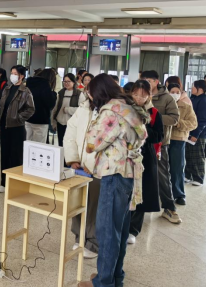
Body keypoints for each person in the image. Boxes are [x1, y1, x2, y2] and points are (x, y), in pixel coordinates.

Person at [77, 74, 147, 287]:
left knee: (107, 231)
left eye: (90, 93)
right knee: (119, 231)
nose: (89, 97)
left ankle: (103, 282)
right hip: (128, 174)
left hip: (114, 174)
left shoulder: (111, 111)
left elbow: (92, 143)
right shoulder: (129, 107)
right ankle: (115, 278)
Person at [140, 70, 181, 225]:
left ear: (156, 82)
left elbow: (174, 119)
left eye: (149, 80)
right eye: (144, 80)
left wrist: (153, 117)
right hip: (138, 143)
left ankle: (169, 207)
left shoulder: (167, 98)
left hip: (159, 143)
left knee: (162, 175)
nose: (146, 83)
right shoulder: (139, 94)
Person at [64, 88, 99, 259]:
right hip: (80, 166)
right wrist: (73, 158)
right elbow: (70, 132)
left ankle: (93, 243)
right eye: (88, 91)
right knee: (78, 202)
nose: (89, 94)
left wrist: (92, 164)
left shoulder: (110, 110)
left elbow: (107, 142)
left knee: (94, 206)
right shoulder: (84, 107)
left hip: (97, 169)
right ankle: (79, 237)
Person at [127, 80, 163, 244]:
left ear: (149, 95)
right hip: (126, 154)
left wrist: (141, 127)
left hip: (145, 156)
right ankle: (123, 224)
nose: (138, 98)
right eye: (135, 94)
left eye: (142, 95)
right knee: (127, 190)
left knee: (140, 192)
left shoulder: (154, 113)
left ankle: (133, 229)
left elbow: (159, 136)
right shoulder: (125, 109)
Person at [0, 65, 34, 193]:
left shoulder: (25, 91)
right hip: (5, 126)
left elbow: (30, 109)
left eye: (15, 73)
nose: (12, 75)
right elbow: (1, 107)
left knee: (16, 156)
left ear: (21, 76)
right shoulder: (7, 88)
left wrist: (18, 117)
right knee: (4, 155)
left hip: (17, 127)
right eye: (11, 73)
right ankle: (4, 182)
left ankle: (14, 184)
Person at [167, 83, 197, 205]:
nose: (175, 94)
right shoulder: (164, 105)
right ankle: (163, 193)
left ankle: (179, 194)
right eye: (172, 92)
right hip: (163, 140)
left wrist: (178, 123)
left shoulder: (186, 106)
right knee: (162, 169)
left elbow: (193, 123)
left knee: (177, 168)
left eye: (177, 92)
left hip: (178, 140)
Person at [186, 80, 206, 186]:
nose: (191, 88)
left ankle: (199, 178)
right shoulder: (194, 98)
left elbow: (203, 119)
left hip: (199, 133)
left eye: (193, 86)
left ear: (200, 89)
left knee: (197, 155)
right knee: (189, 154)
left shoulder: (204, 101)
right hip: (192, 131)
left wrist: (196, 134)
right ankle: (188, 175)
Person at [25, 68, 57, 143]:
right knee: (38, 145)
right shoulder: (46, 85)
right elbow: (50, 104)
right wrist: (54, 94)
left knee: (26, 143)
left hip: (28, 118)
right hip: (41, 120)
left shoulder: (30, 82)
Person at [51, 73, 81, 147]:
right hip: (60, 123)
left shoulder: (79, 94)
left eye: (68, 81)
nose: (66, 83)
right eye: (64, 81)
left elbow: (82, 110)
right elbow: (55, 108)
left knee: (70, 145)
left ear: (73, 82)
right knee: (61, 144)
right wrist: (53, 122)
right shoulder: (60, 93)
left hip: (72, 125)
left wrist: (68, 110)